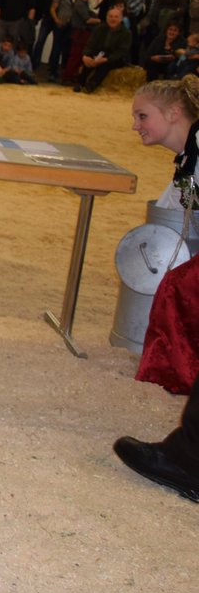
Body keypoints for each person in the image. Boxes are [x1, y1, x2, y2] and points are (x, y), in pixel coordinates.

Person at [114, 76, 199, 504]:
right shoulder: (190, 156)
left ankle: (188, 460)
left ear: (174, 113)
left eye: (142, 116)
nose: (135, 125)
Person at [76, 5, 132, 94]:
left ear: (121, 19)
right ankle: (80, 83)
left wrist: (105, 59)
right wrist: (85, 56)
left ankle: (91, 85)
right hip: (100, 54)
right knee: (89, 60)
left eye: (116, 17)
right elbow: (90, 44)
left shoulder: (126, 33)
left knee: (105, 65)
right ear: (107, 18)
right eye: (110, 16)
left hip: (116, 58)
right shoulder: (100, 29)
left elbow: (122, 52)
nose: (113, 19)